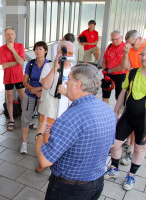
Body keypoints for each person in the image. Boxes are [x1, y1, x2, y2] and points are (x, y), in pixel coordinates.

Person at [36, 64, 116, 200]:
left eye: (69, 78)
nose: (66, 82)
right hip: (96, 183)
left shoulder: (70, 117)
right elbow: (110, 145)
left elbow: (44, 161)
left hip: (69, 190)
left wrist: (39, 135)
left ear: (78, 84)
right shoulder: (107, 109)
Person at [104, 46, 146, 191]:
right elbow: (123, 91)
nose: (144, 58)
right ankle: (114, 168)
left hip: (144, 121)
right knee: (115, 144)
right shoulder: (133, 73)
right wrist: (116, 111)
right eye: (143, 55)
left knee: (139, 150)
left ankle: (131, 175)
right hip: (128, 116)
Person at [36, 41, 75, 172]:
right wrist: (55, 66)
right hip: (50, 110)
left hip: (66, 113)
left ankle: (58, 161)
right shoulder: (48, 66)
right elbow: (46, 85)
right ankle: (43, 161)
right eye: (62, 52)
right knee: (46, 136)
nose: (65, 55)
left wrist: (67, 92)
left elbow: (79, 94)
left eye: (69, 53)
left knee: (62, 139)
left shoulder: (75, 70)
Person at [20, 41, 50, 154]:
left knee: (41, 121)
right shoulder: (31, 63)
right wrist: (32, 89)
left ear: (45, 51)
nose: (38, 51)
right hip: (30, 94)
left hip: (43, 96)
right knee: (25, 118)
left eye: (40, 49)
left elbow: (49, 84)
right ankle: (24, 143)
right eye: (36, 49)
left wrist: (37, 91)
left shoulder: (49, 65)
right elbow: (24, 81)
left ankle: (40, 143)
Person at [0, 26, 25, 131]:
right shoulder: (2, 48)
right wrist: (17, 62)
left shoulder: (20, 46)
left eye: (12, 34)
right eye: (8, 34)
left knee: (23, 98)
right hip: (8, 77)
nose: (10, 36)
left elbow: (22, 62)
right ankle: (11, 119)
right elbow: (4, 65)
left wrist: (12, 49)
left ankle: (25, 118)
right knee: (9, 99)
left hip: (19, 76)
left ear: (15, 35)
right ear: (5, 36)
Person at [101, 30, 127, 105]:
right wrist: (105, 69)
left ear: (121, 38)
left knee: (119, 97)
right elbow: (104, 60)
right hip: (108, 74)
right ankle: (105, 113)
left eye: (116, 39)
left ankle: (118, 115)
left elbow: (123, 66)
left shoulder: (125, 48)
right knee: (105, 94)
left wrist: (110, 71)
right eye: (112, 39)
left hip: (120, 75)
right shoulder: (109, 46)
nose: (114, 41)